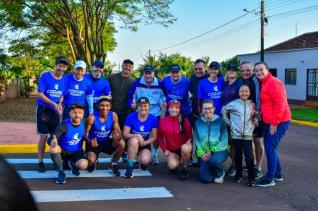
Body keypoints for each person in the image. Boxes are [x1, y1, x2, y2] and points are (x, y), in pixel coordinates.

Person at [254, 62, 291, 187]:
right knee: (271, 147)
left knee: (269, 148)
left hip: (279, 121)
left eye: (261, 70)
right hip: (268, 121)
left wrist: (275, 123)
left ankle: (270, 178)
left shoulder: (273, 82)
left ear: (267, 70)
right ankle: (277, 174)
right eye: (256, 71)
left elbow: (280, 103)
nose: (259, 72)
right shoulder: (264, 82)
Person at [128, 65, 166, 164]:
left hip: (154, 112)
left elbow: (163, 96)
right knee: (137, 134)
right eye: (146, 73)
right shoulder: (137, 82)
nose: (148, 75)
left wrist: (164, 102)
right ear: (143, 73)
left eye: (150, 73)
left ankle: (154, 154)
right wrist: (131, 103)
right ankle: (135, 154)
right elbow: (131, 95)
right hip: (140, 111)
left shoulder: (159, 83)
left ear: (154, 73)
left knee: (155, 135)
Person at [36, 56, 68, 173]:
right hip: (43, 111)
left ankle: (55, 160)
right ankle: (40, 162)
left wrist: (59, 103)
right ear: (55, 65)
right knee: (43, 136)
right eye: (60, 65)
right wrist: (53, 103)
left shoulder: (65, 79)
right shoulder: (45, 76)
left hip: (55, 112)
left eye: (64, 66)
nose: (61, 68)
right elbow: (40, 94)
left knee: (55, 137)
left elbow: (62, 94)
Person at [222, 85, 258, 187]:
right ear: (238, 93)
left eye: (246, 91)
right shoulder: (234, 104)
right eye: (242, 91)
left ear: (249, 93)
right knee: (237, 155)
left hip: (247, 134)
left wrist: (255, 123)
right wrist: (228, 123)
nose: (244, 93)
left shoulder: (252, 104)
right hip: (236, 134)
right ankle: (238, 175)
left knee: (249, 156)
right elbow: (224, 110)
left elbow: (255, 116)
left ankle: (251, 178)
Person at [48, 104, 89, 184]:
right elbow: (50, 140)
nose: (77, 115)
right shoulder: (64, 125)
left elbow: (84, 134)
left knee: (84, 164)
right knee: (53, 148)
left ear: (83, 113)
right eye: (74, 112)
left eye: (80, 112)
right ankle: (61, 172)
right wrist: (52, 143)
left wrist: (89, 140)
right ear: (69, 114)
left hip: (77, 151)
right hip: (64, 151)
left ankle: (73, 165)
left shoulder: (84, 121)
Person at [85, 96, 125, 176]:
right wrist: (90, 141)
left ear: (110, 107)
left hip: (106, 142)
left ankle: (113, 165)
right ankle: (93, 161)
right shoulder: (91, 118)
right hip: (94, 142)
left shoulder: (113, 115)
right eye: (102, 105)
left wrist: (117, 137)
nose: (104, 108)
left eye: (107, 105)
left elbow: (119, 131)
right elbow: (85, 134)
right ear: (98, 106)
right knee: (90, 161)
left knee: (121, 143)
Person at [194, 99, 228, 184]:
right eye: (205, 108)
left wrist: (212, 151)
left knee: (214, 161)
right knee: (205, 179)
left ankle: (220, 173)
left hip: (220, 150)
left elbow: (224, 139)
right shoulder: (198, 122)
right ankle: (212, 170)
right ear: (202, 109)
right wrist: (201, 153)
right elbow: (197, 140)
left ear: (214, 109)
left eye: (210, 108)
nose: (207, 110)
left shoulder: (221, 121)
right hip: (205, 152)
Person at [123, 97, 158, 178]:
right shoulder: (131, 117)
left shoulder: (153, 118)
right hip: (132, 143)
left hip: (144, 144)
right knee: (134, 141)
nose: (143, 108)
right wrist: (137, 135)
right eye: (140, 106)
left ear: (149, 106)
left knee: (145, 160)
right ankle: (130, 166)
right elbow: (125, 134)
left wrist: (145, 143)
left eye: (145, 106)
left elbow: (154, 136)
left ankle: (142, 161)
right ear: (137, 107)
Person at [240, 61, 264, 179]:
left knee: (258, 141)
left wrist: (257, 114)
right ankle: (252, 164)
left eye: (248, 70)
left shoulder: (256, 81)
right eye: (243, 70)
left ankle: (258, 168)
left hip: (256, 115)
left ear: (252, 70)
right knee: (249, 141)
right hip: (245, 117)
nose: (245, 72)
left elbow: (259, 99)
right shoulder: (240, 81)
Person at [157, 100, 193, 180]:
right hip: (172, 150)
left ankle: (185, 169)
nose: (174, 109)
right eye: (171, 107)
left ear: (179, 109)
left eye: (176, 108)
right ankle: (175, 164)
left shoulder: (185, 121)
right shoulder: (163, 121)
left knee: (185, 148)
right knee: (172, 166)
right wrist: (165, 149)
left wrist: (188, 143)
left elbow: (190, 136)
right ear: (168, 109)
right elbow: (159, 137)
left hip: (183, 148)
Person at [221, 63, 242, 177]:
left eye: (234, 70)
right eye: (229, 70)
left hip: (235, 119)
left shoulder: (240, 84)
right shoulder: (224, 84)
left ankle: (235, 167)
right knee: (228, 143)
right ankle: (234, 165)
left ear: (237, 72)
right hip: (224, 118)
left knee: (235, 143)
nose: (231, 71)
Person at [108, 59, 135, 130]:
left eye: (130, 66)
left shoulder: (133, 81)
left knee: (123, 133)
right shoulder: (112, 77)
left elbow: (134, 96)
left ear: (132, 69)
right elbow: (106, 90)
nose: (127, 68)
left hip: (125, 112)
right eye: (126, 65)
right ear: (122, 66)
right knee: (111, 132)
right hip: (111, 110)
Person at [190, 59, 208, 124]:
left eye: (200, 69)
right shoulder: (193, 77)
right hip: (195, 114)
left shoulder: (210, 78)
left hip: (207, 114)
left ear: (205, 68)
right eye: (196, 69)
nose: (198, 71)